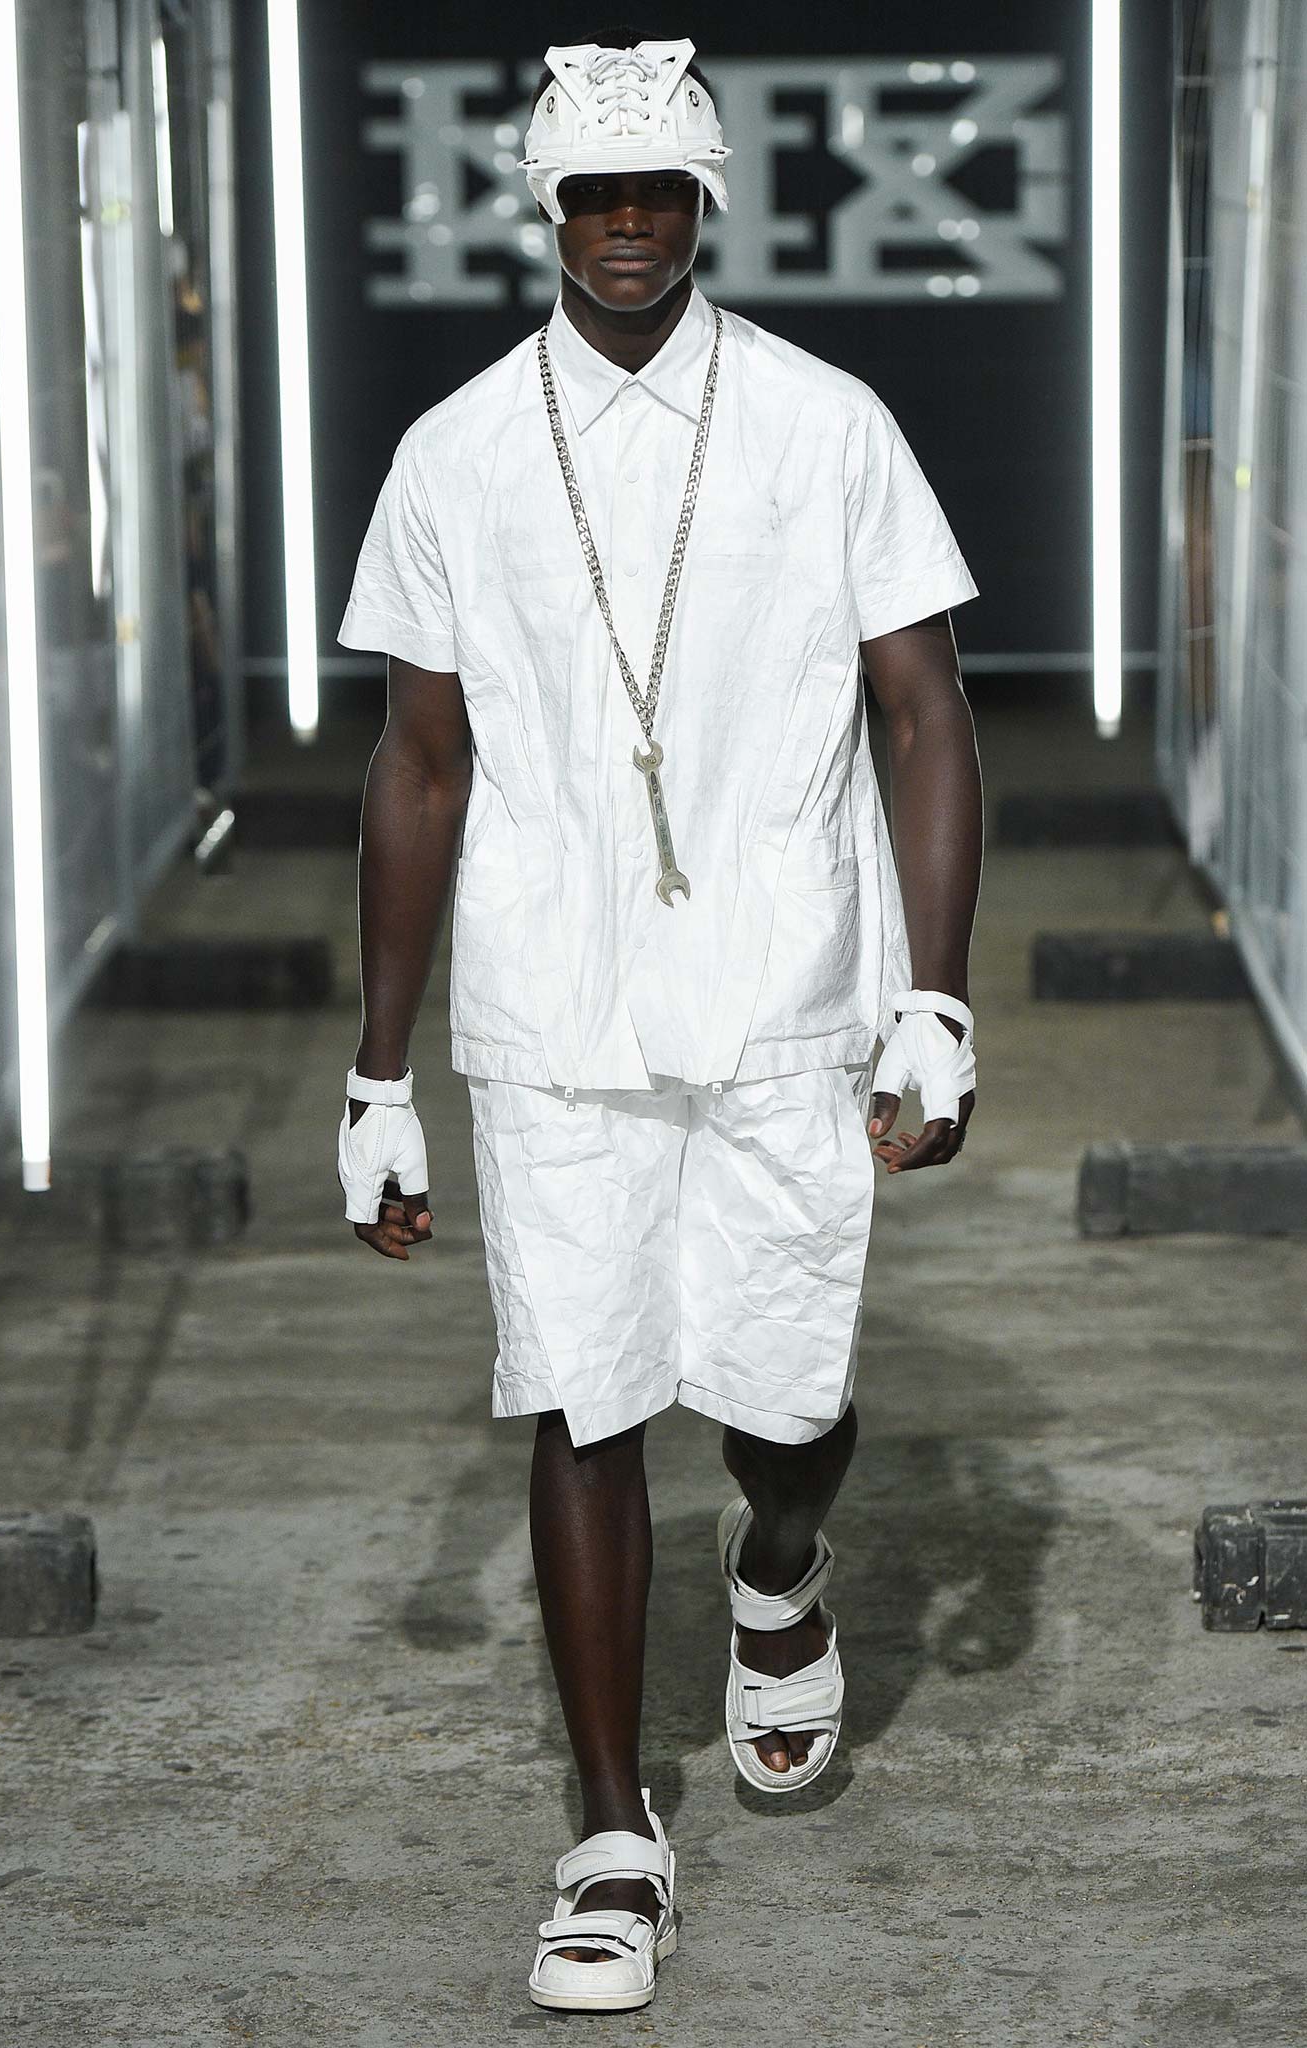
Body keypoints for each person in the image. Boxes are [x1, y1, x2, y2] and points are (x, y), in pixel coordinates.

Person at [335, 28, 982, 2016]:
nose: (625, 225)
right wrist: (376, 1073)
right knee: (582, 1388)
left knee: (781, 1403)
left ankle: (775, 1566)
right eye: (591, 195)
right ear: (546, 211)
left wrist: (935, 993)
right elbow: (417, 763)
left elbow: (921, 714)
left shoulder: (822, 423)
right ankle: (610, 1829)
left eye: (657, 193)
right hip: (551, 997)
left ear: (704, 202)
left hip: (784, 979)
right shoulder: (455, 453)